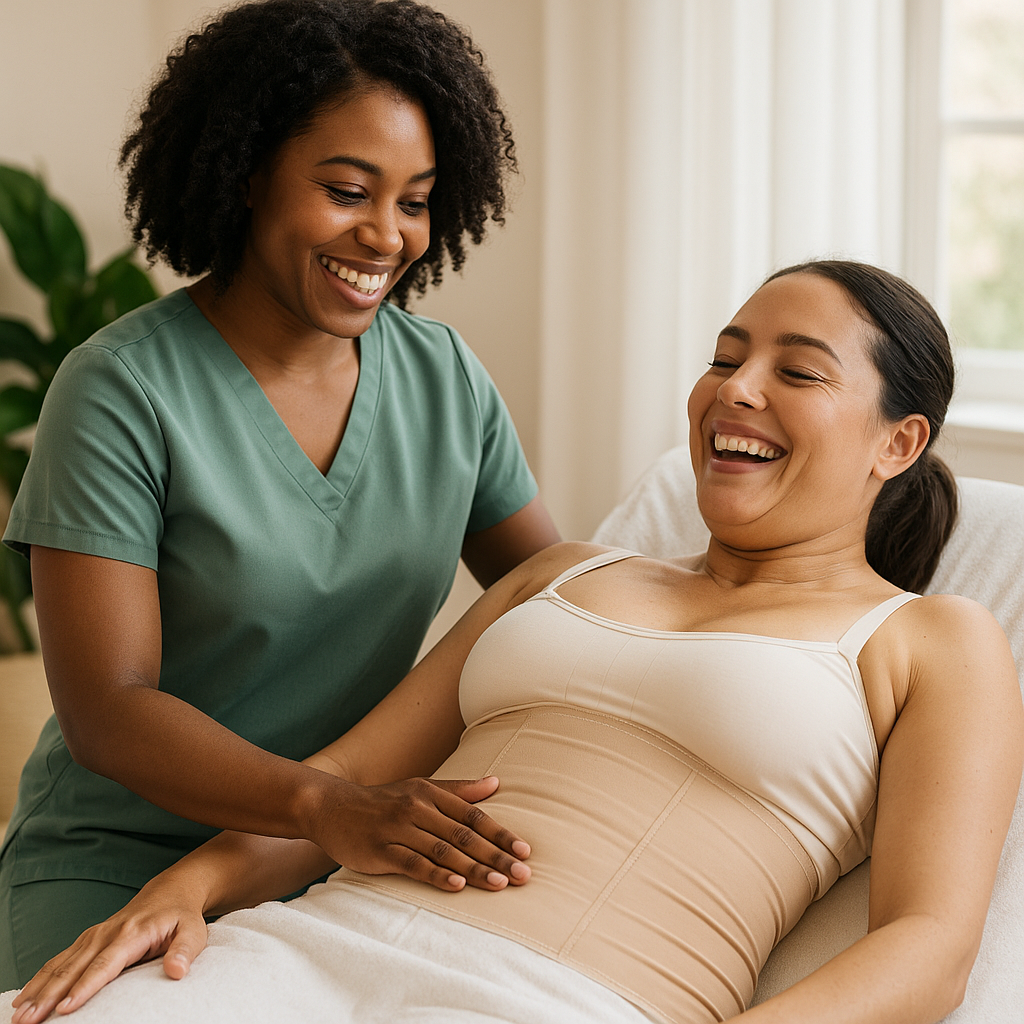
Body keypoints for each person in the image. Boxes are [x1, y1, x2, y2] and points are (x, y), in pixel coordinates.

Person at [7, 260, 1021, 1024]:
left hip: (560, 997)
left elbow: (928, 948)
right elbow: (346, 782)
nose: (735, 388)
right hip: (300, 949)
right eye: (724, 357)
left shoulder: (932, 640)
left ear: (898, 442)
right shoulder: (562, 573)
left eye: (795, 371)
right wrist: (187, 887)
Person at [0, 0, 561, 989]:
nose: (385, 235)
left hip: (338, 857)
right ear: (248, 172)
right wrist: (326, 804)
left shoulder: (445, 380)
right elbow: (109, 710)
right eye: (347, 191)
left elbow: (552, 602)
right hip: (121, 858)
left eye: (416, 201)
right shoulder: (121, 389)